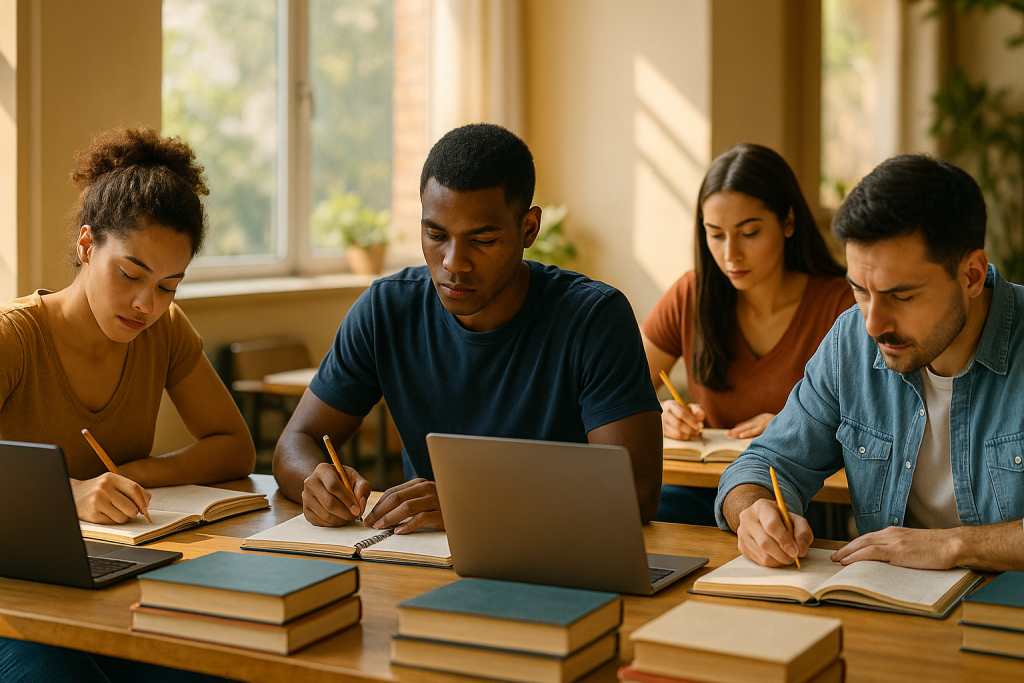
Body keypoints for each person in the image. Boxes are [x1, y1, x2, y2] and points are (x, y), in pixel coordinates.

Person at [273, 123, 663, 530]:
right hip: (425, 559)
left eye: (483, 240)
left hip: (561, 560)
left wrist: (473, 503)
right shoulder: (386, 309)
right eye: (436, 234)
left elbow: (636, 491)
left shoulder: (594, 318)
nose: (453, 263)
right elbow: (294, 443)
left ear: (528, 229)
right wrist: (314, 482)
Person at [0, 126, 252, 682]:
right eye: (131, 274)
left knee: (222, 667)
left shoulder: (163, 333)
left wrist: (144, 472)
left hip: (112, 579)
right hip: (14, 600)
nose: (146, 305)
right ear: (87, 246)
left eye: (169, 286)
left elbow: (234, 448)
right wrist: (74, 493)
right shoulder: (14, 338)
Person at [717, 154, 1024, 573]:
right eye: (860, 290)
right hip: (887, 609)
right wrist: (753, 510)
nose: (873, 324)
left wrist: (954, 545)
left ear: (970, 275)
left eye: (900, 296)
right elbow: (763, 463)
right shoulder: (851, 340)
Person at [642, 144, 854, 525]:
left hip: (801, 493)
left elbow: (875, 421)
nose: (730, 254)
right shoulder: (691, 294)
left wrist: (798, 427)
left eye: (749, 233)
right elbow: (620, 394)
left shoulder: (842, 305)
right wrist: (659, 416)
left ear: (788, 223)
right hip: (701, 490)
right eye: (715, 235)